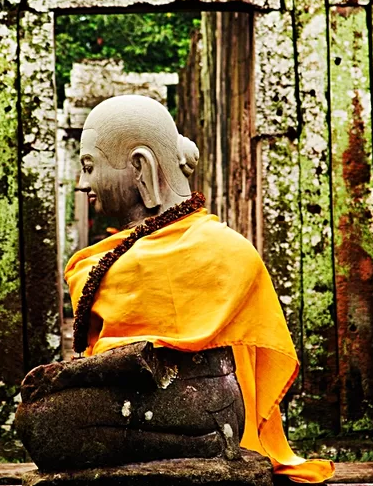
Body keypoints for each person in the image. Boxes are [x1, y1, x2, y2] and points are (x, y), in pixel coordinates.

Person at [66, 95, 334, 484]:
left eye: (90, 167)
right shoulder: (118, 255)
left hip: (206, 408)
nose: (82, 183)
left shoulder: (225, 251)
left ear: (140, 166)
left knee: (47, 421)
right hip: (145, 406)